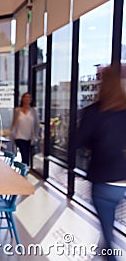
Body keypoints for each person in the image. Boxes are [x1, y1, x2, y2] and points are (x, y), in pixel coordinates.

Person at [75, 64, 126, 261]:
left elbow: (79, 141)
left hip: (102, 180)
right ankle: (103, 251)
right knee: (108, 222)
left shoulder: (94, 111)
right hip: (121, 180)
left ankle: (108, 255)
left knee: (107, 231)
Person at [10, 93, 39, 165]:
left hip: (30, 137)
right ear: (22, 99)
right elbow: (14, 122)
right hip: (19, 136)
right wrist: (11, 133)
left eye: (29, 97)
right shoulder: (17, 110)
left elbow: (36, 123)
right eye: (25, 97)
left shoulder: (34, 111)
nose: (27, 99)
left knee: (27, 155)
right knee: (24, 155)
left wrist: (37, 134)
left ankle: (24, 170)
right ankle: (24, 171)